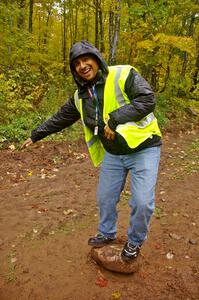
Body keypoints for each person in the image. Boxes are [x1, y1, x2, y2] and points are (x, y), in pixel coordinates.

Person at [22, 40, 162, 261]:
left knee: (142, 202)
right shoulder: (80, 96)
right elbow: (60, 118)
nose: (82, 65)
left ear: (96, 59)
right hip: (113, 153)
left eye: (85, 59)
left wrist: (115, 119)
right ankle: (107, 234)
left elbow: (147, 99)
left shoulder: (123, 74)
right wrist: (36, 134)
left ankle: (134, 242)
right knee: (105, 198)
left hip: (144, 148)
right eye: (76, 63)